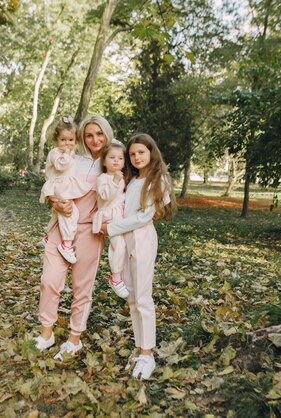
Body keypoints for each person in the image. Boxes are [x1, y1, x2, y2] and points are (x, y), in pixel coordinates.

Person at [34, 115, 113, 361]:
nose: (94, 139)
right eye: (89, 135)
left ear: (107, 134)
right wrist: (55, 203)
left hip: (90, 231)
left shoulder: (112, 163)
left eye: (99, 134)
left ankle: (74, 339)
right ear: (81, 137)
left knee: (82, 288)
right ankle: (46, 334)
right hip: (62, 227)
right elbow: (53, 185)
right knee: (49, 280)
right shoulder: (71, 160)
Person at [100, 133, 176, 380]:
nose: (136, 157)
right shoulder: (131, 180)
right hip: (125, 238)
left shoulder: (159, 179)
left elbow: (144, 217)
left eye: (141, 152)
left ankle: (148, 354)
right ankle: (139, 348)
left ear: (151, 152)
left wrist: (111, 228)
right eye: (132, 154)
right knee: (132, 298)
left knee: (143, 298)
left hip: (142, 239)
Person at [40, 117, 92, 264]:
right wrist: (67, 154)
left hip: (64, 186)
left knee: (57, 215)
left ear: (75, 141)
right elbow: (61, 166)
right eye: (63, 139)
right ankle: (66, 244)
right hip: (59, 187)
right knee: (71, 213)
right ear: (56, 140)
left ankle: (48, 237)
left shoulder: (71, 154)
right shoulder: (56, 153)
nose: (67, 143)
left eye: (71, 140)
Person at [92, 143, 128, 298]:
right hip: (108, 215)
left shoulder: (122, 177)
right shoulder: (103, 178)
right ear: (104, 161)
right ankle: (116, 277)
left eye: (120, 158)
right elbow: (105, 196)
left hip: (119, 214)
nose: (116, 161)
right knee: (119, 244)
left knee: (121, 245)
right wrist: (114, 181)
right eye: (112, 157)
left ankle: (121, 273)